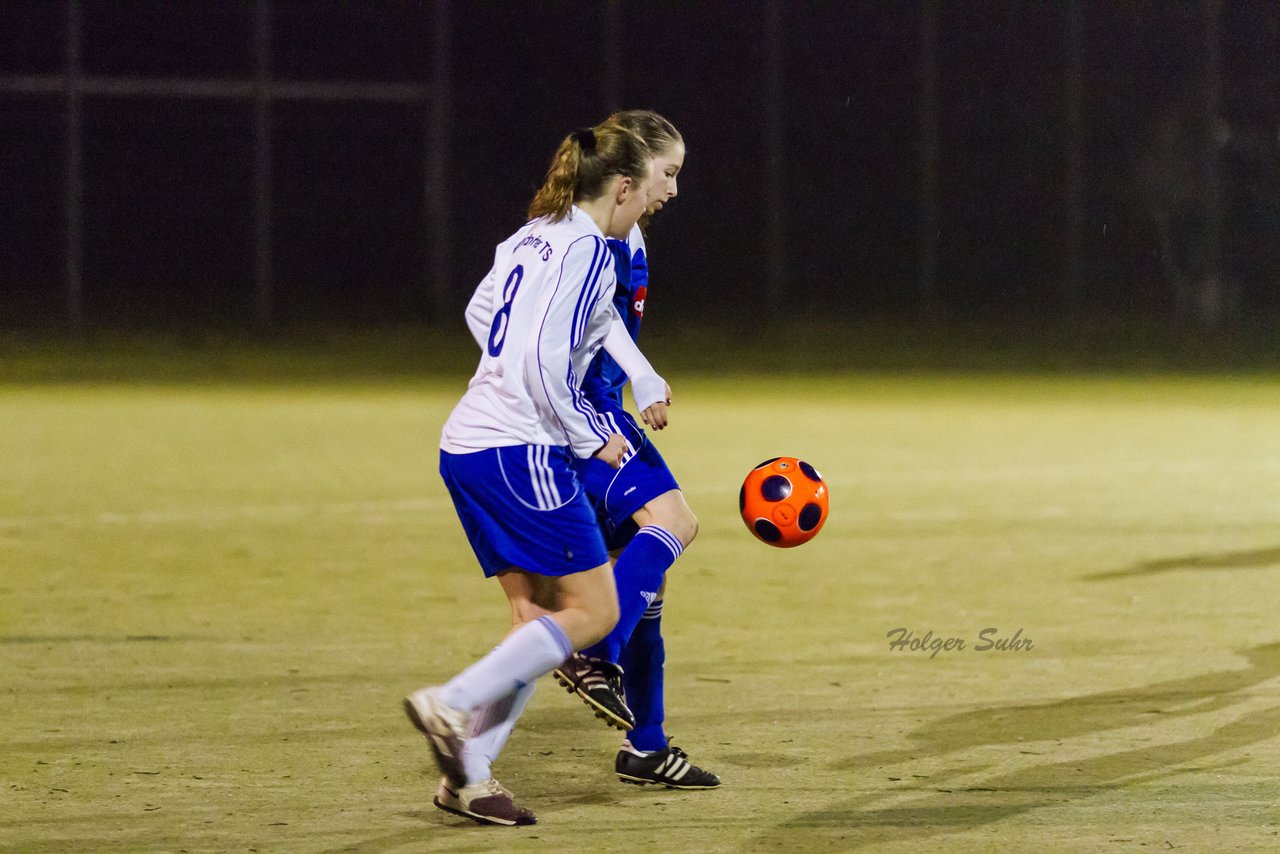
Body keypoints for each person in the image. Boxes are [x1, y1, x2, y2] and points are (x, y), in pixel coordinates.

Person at [403, 120, 657, 827]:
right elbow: (547, 365)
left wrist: (509, 371)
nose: (651, 209)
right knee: (595, 611)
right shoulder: (589, 251)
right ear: (625, 187)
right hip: (521, 452)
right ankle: (450, 704)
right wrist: (591, 432)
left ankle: (468, 780)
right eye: (652, 190)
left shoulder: (533, 233)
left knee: (540, 618)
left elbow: (482, 310)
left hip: (469, 443)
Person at [552, 110, 720, 790]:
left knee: (645, 575)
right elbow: (585, 328)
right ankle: (595, 648)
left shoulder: (621, 234)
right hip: (583, 419)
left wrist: (638, 376)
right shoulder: (590, 239)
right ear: (628, 176)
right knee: (675, 523)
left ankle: (646, 744)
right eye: (669, 173)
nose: (675, 189)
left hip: (601, 409)